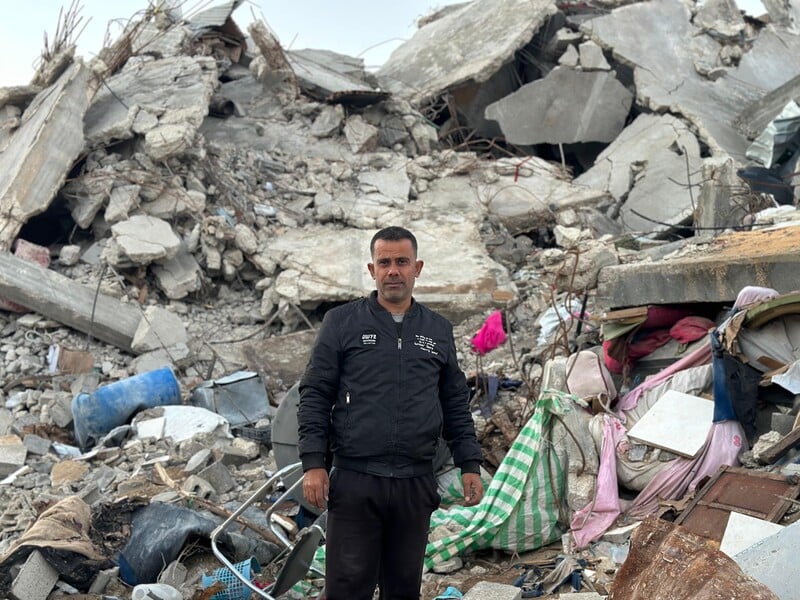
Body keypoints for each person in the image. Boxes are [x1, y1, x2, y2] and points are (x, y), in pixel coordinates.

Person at [298, 225, 484, 600]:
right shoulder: (342, 323)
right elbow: (315, 393)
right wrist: (313, 463)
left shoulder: (437, 329)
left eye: (402, 262)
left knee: (403, 590)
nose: (393, 271)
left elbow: (454, 403)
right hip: (355, 480)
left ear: (417, 268)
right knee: (347, 589)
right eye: (385, 263)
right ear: (372, 270)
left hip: (414, 484)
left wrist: (470, 464)